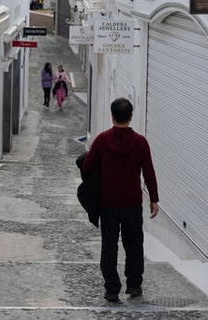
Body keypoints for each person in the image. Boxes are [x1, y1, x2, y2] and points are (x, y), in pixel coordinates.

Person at [82, 97, 159, 303]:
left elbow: (88, 166)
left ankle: (112, 289)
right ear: (131, 116)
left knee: (109, 245)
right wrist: (154, 198)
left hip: (108, 203)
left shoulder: (102, 140)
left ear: (112, 116)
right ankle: (134, 284)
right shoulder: (141, 142)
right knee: (134, 243)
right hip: (132, 202)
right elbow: (149, 172)